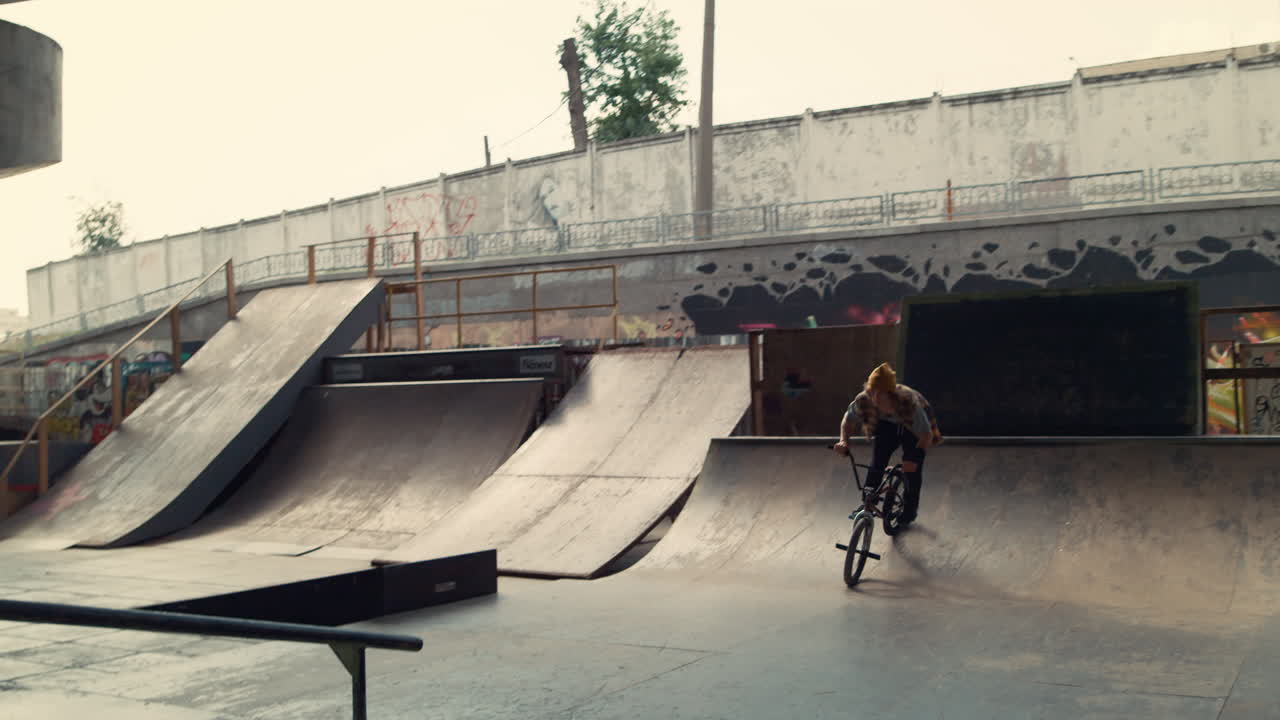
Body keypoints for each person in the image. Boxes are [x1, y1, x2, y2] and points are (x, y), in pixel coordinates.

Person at [832, 363, 942, 526]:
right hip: (886, 426)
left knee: (911, 469)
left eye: (880, 395)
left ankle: (910, 510)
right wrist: (843, 441)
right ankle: (869, 503)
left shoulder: (909, 404)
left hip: (911, 429)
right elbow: (847, 420)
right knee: (877, 461)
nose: (874, 398)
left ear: (891, 394)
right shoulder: (864, 399)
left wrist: (915, 457)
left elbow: (926, 435)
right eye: (871, 393)